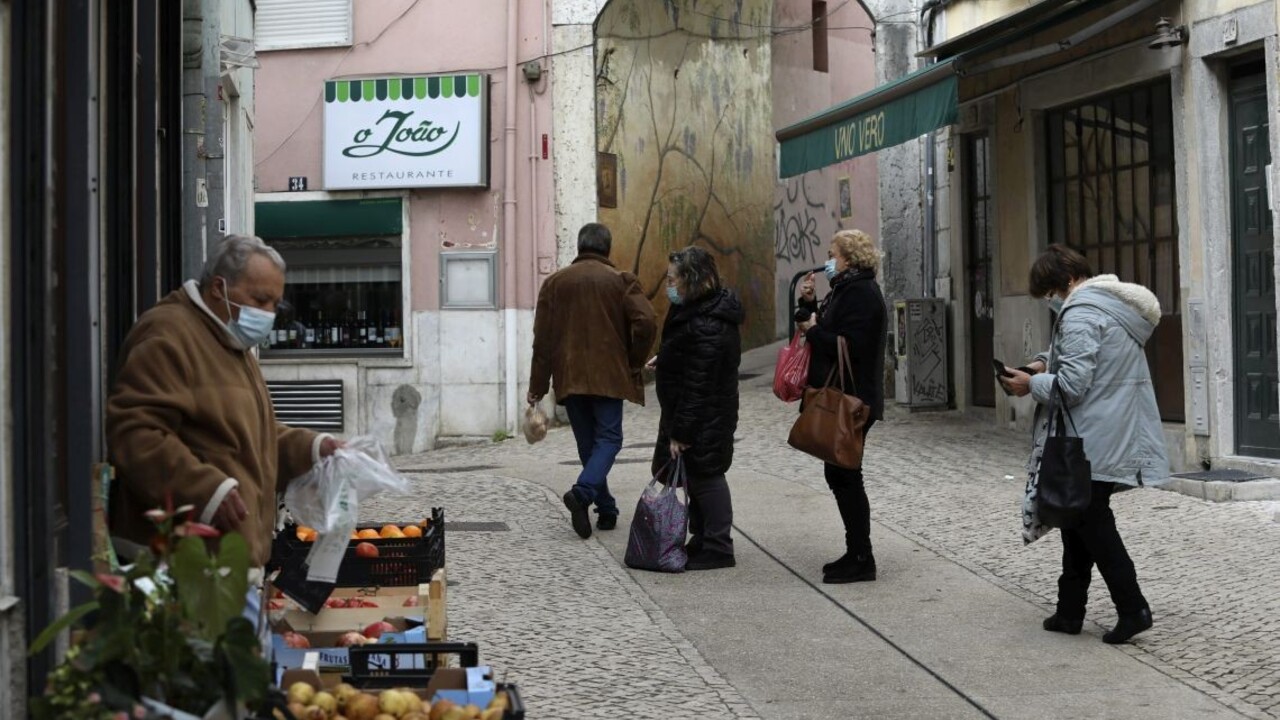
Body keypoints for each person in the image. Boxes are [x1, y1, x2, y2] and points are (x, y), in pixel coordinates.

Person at [107, 235, 341, 568]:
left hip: (228, 563)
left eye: (275, 304)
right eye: (260, 300)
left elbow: (246, 435)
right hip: (182, 565)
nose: (269, 314)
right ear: (219, 288)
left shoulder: (230, 342)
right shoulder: (168, 334)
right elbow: (135, 434)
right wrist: (205, 490)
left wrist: (314, 448)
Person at [1000, 243, 1168, 645]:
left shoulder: (1081, 312)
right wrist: (1042, 362)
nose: (1050, 303)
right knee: (1076, 521)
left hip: (1091, 437)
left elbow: (1072, 386)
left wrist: (1030, 384)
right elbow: (1088, 358)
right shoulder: (1109, 306)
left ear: (1068, 282)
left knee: (1093, 523)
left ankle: (1133, 608)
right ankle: (1069, 610)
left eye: (1049, 294)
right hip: (1109, 429)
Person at [528, 223, 657, 539]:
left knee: (589, 445)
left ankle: (607, 509)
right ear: (607, 249)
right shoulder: (620, 281)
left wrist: (537, 387)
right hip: (609, 376)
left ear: (579, 246)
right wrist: (633, 361)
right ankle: (583, 493)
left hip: (569, 378)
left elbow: (542, 340)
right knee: (609, 440)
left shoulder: (555, 283)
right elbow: (647, 321)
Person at [796, 229, 888, 584]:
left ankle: (862, 557)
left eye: (832, 252)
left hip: (853, 399)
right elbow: (826, 327)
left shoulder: (862, 293)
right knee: (840, 473)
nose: (827, 260)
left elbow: (851, 345)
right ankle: (856, 552)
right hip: (841, 394)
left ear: (849, 258)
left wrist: (813, 330)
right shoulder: (845, 290)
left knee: (846, 474)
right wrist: (808, 305)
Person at [650, 247, 744, 571]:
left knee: (707, 476)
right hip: (699, 412)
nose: (668, 284)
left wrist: (682, 432)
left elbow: (698, 384)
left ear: (690, 280)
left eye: (672, 278)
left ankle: (719, 546)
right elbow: (689, 358)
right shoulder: (694, 312)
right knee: (695, 475)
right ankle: (703, 537)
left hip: (705, 415)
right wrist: (668, 358)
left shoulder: (707, 322)